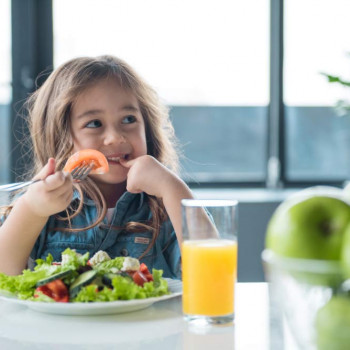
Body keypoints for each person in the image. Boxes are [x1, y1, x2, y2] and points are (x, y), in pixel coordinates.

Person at [0, 55, 193, 278]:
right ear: (59, 137)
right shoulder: (42, 204)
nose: (115, 138)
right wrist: (32, 210)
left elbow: (210, 276)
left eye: (129, 119)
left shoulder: (164, 207)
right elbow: (4, 276)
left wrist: (173, 190)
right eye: (94, 124)